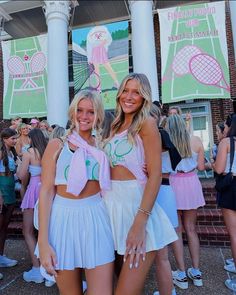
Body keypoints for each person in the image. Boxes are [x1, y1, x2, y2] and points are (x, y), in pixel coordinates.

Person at [102, 73, 177, 295]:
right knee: (115, 284)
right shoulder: (114, 125)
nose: (129, 96)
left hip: (135, 208)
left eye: (136, 92)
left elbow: (155, 175)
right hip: (109, 208)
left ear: (144, 97)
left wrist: (140, 222)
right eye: (125, 90)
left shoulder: (147, 123)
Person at [37, 90, 114, 295]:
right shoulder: (56, 145)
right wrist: (43, 242)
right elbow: (45, 192)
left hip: (97, 217)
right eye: (79, 110)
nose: (84, 116)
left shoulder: (104, 146)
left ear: (98, 114)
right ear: (72, 112)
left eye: (90, 111)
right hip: (62, 219)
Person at [166, 115, 205, 290]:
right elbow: (202, 167)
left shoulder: (167, 143)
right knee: (191, 229)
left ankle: (181, 273)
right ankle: (196, 272)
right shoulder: (196, 140)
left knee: (177, 230)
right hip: (191, 184)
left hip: (174, 184)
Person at [150, 104, 181, 295]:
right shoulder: (163, 136)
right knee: (162, 252)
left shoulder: (158, 136)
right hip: (165, 190)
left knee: (161, 252)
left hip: (159, 191)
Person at [16, 128, 48, 284]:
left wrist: (20, 164)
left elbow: (21, 176)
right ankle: (47, 267)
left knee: (27, 230)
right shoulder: (48, 151)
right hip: (47, 191)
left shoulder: (29, 153)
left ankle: (37, 269)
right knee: (45, 230)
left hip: (34, 190)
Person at [214, 114, 236, 291]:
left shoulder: (227, 143)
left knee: (235, 234)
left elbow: (220, 169)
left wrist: (213, 164)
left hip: (231, 187)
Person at [0, 128, 18, 270]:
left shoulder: (11, 152)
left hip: (10, 190)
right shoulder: (1, 152)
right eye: (13, 138)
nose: (15, 140)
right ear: (5, 139)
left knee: (5, 226)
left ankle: (1, 256)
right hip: (3, 191)